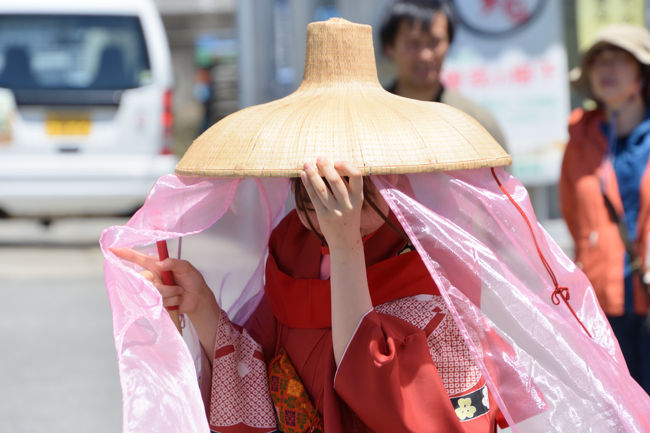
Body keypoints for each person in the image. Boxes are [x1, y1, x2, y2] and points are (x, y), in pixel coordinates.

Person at [113, 156, 505, 432]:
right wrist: (202, 308)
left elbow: (419, 412)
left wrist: (344, 244)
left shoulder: (433, 266)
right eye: (312, 191)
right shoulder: (292, 251)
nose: (326, 209)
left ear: (392, 181)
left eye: (347, 188)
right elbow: (261, 369)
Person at [560, 24, 650, 394]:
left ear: (642, 74)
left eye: (618, 59)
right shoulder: (579, 140)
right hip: (602, 302)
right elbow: (572, 214)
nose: (605, 69)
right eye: (597, 61)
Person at [379, 0, 508, 149]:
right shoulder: (368, 117)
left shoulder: (476, 123)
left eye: (434, 42)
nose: (425, 55)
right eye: (413, 43)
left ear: (449, 44)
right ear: (389, 47)